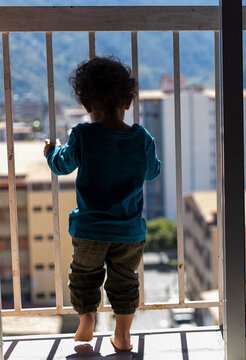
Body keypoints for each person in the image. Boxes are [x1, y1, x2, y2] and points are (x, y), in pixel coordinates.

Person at [43, 56, 161, 351]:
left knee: (84, 275)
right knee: (124, 281)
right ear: (128, 101)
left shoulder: (83, 134)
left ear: (85, 104)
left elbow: (61, 167)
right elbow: (151, 172)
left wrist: (50, 152)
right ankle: (122, 335)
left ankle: (86, 318)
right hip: (129, 231)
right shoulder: (141, 137)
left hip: (90, 229)